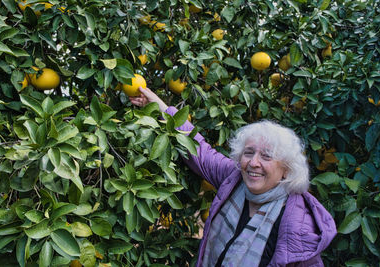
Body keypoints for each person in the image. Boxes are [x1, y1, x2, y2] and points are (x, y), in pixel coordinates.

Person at [130, 87, 337, 267]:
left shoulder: (298, 225)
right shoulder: (234, 179)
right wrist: (161, 108)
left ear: (286, 169)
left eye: (266, 156)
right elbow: (199, 151)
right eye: (248, 152)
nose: (254, 162)